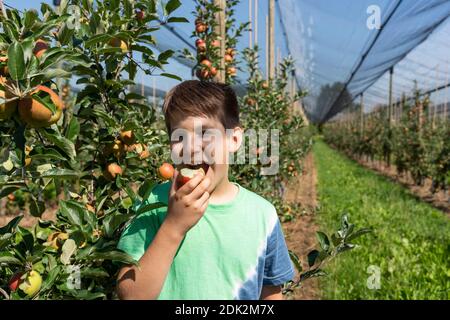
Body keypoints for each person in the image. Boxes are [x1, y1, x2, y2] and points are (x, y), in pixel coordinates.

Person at [116, 80, 294, 300]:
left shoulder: (262, 215)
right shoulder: (154, 202)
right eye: (179, 136)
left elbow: (270, 291)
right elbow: (130, 295)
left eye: (205, 134)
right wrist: (173, 226)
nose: (191, 147)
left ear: (234, 139)